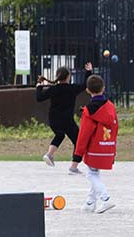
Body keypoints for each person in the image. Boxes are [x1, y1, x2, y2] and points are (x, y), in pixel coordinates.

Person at [35, 62, 92, 171]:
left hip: (53, 120)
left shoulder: (53, 89)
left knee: (60, 135)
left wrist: (39, 86)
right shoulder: (71, 89)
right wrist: (88, 71)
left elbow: (39, 98)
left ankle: (49, 154)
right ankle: (74, 166)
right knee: (79, 141)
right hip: (66, 121)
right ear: (68, 77)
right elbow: (85, 85)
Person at [74, 74, 118, 214]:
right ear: (103, 89)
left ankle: (105, 198)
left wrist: (77, 155)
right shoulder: (110, 107)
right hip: (108, 145)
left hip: (94, 148)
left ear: (87, 90)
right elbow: (116, 128)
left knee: (91, 174)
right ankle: (90, 202)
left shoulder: (88, 111)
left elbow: (84, 134)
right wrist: (113, 147)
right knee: (95, 172)